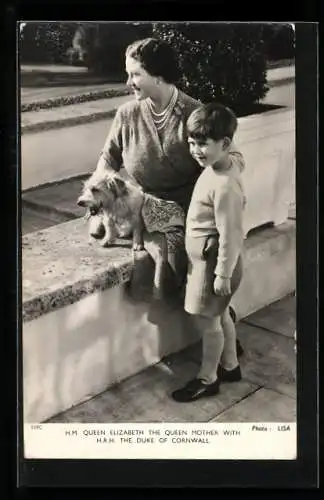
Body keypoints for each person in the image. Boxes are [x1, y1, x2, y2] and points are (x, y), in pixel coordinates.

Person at [93, 36, 243, 325]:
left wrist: (219, 183)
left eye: (135, 74)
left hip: (192, 210)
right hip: (144, 207)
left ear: (159, 76)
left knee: (193, 258)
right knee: (157, 250)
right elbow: (107, 160)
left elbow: (233, 156)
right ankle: (210, 322)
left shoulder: (193, 112)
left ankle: (219, 321)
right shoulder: (126, 114)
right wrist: (100, 205)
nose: (129, 82)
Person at [172, 103, 246, 403]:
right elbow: (237, 153)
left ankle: (208, 378)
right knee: (220, 312)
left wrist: (222, 274)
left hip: (214, 266)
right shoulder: (228, 162)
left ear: (224, 144)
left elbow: (232, 233)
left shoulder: (225, 184)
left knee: (209, 321)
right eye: (191, 142)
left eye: (203, 144)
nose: (195, 150)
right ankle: (231, 365)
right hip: (211, 261)